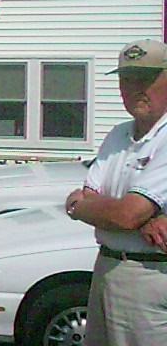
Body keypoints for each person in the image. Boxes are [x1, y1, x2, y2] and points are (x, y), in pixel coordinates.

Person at [64, 38, 167, 346]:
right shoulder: (118, 134)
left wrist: (84, 208)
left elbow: (125, 214)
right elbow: (83, 194)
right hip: (106, 267)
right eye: (127, 80)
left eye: (147, 80)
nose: (136, 89)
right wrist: (135, 214)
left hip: (149, 274)